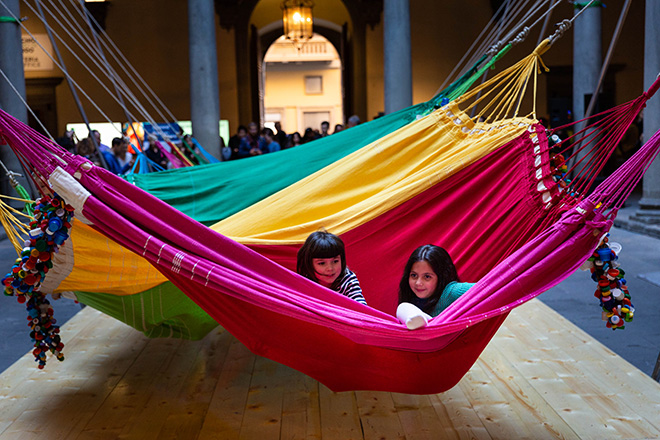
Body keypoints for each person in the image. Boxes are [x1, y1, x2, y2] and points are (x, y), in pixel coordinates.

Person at [396, 244, 474, 330]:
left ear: (441, 277)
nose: (418, 283)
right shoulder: (413, 299)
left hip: (444, 338)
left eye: (427, 277)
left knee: (403, 307)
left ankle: (429, 326)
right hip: (425, 339)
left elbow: (487, 289)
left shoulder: (452, 291)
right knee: (403, 308)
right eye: (414, 275)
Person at [296, 231, 367, 305]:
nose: (330, 268)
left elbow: (360, 306)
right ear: (309, 264)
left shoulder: (347, 279)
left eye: (335, 261)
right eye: (322, 263)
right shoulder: (305, 281)